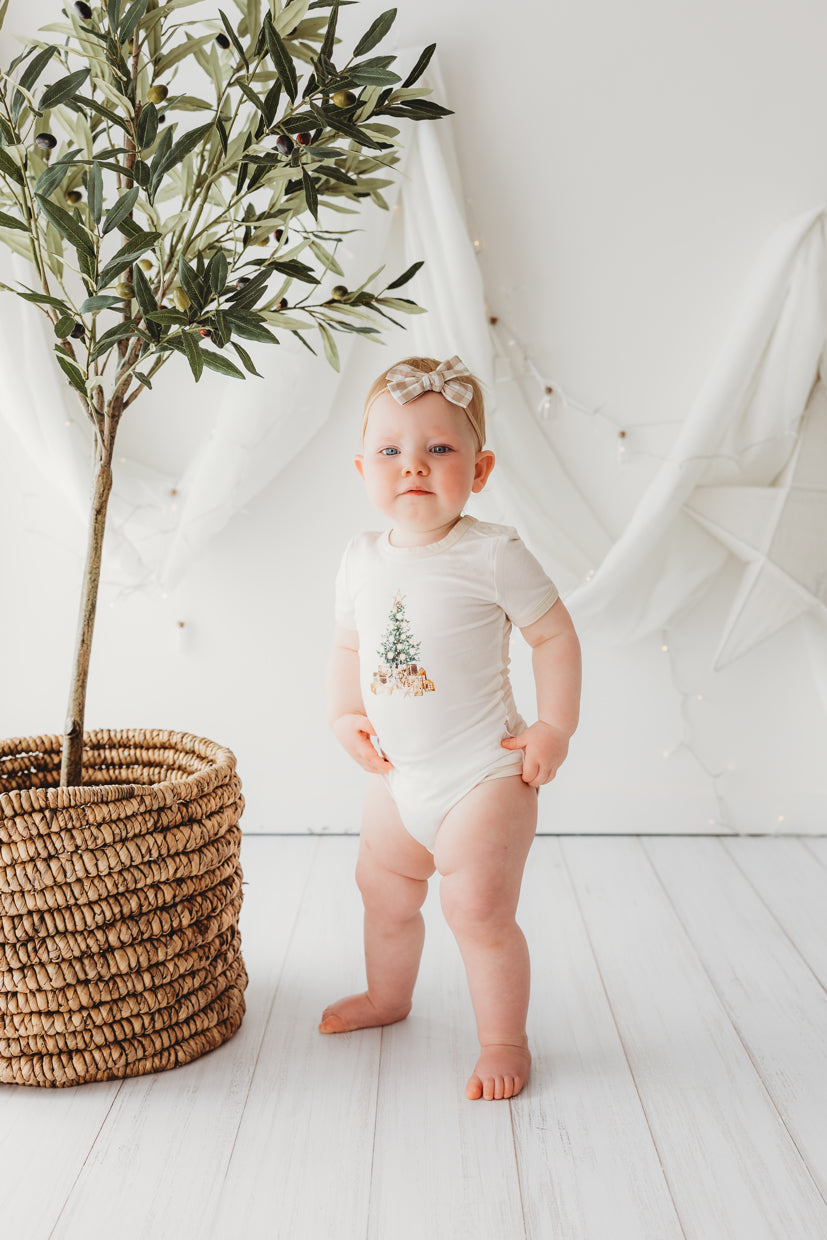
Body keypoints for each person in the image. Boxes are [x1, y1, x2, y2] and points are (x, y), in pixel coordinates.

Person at [321, 355, 582, 1101]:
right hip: (398, 778)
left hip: (484, 775)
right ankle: (387, 997)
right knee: (382, 891)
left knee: (478, 913)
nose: (413, 465)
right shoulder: (359, 559)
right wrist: (344, 713)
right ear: (362, 469)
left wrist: (554, 726)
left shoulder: (492, 553)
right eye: (390, 450)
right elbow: (348, 647)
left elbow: (554, 636)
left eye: (438, 448)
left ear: (480, 468)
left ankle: (504, 1041)